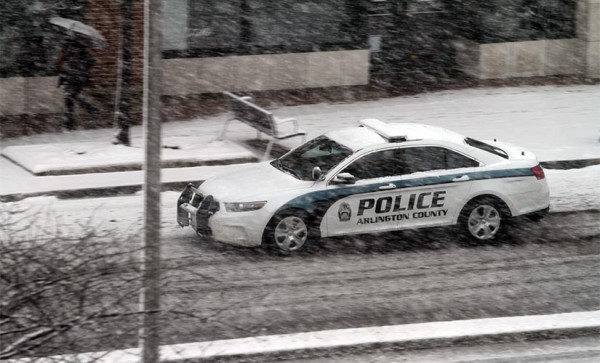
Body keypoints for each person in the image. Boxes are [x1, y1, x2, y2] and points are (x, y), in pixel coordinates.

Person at [56, 35, 99, 131]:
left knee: (70, 97)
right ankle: (70, 122)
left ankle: (90, 110)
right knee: (70, 99)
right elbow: (91, 61)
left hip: (72, 77)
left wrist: (72, 67)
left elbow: (61, 63)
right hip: (76, 77)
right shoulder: (80, 48)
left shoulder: (71, 49)